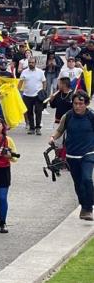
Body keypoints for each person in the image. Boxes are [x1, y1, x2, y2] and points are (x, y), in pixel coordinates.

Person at [50, 91, 94, 221]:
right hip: (71, 155)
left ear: (86, 104)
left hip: (88, 153)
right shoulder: (68, 116)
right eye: (75, 103)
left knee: (87, 179)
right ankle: (83, 205)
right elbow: (60, 130)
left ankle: (89, 207)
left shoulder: (91, 116)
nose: (78, 106)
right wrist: (52, 137)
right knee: (78, 183)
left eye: (81, 103)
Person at [19, 57, 46, 135]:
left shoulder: (40, 72)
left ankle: (38, 128)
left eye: (32, 62)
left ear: (35, 63)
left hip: (38, 95)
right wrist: (18, 92)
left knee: (38, 111)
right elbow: (20, 83)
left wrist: (43, 91)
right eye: (29, 62)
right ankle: (32, 128)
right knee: (29, 112)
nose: (31, 64)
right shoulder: (24, 72)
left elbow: (44, 82)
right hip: (27, 95)